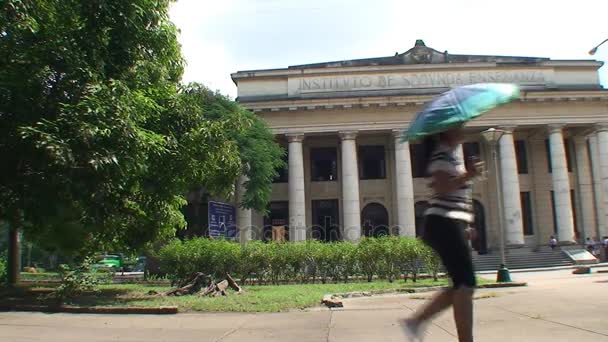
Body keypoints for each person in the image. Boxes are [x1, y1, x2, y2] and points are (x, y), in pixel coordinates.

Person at [402, 126, 481, 342]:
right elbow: (442, 188)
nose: (463, 129)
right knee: (465, 284)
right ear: (446, 132)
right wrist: (469, 175)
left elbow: (454, 195)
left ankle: (416, 321)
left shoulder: (450, 157)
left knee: (462, 284)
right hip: (442, 222)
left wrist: (466, 222)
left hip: (449, 222)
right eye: (458, 126)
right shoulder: (440, 155)